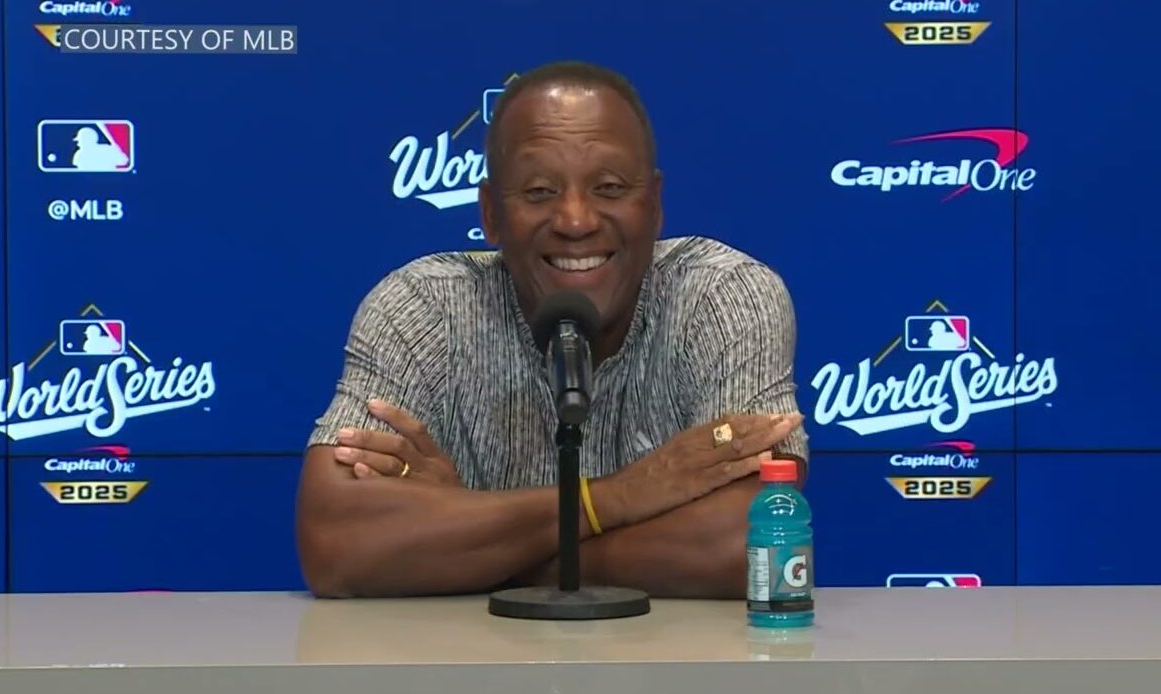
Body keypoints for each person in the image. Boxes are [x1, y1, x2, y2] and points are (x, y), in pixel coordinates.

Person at [295, 60, 809, 599]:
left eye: (609, 187)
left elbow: (751, 544)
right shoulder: (421, 308)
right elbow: (335, 543)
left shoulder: (723, 296)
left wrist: (480, 548)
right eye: (539, 191)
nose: (575, 220)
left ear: (654, 205)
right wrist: (621, 495)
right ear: (490, 213)